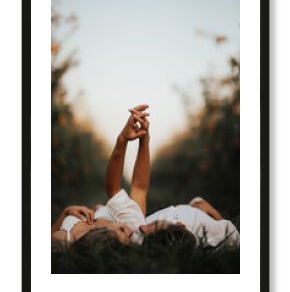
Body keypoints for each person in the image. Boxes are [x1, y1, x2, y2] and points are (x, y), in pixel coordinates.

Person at [52, 104, 239, 248]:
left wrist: (65, 213)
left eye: (127, 232)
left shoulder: (69, 240)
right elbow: (139, 187)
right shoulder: (132, 226)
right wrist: (144, 139)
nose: (136, 230)